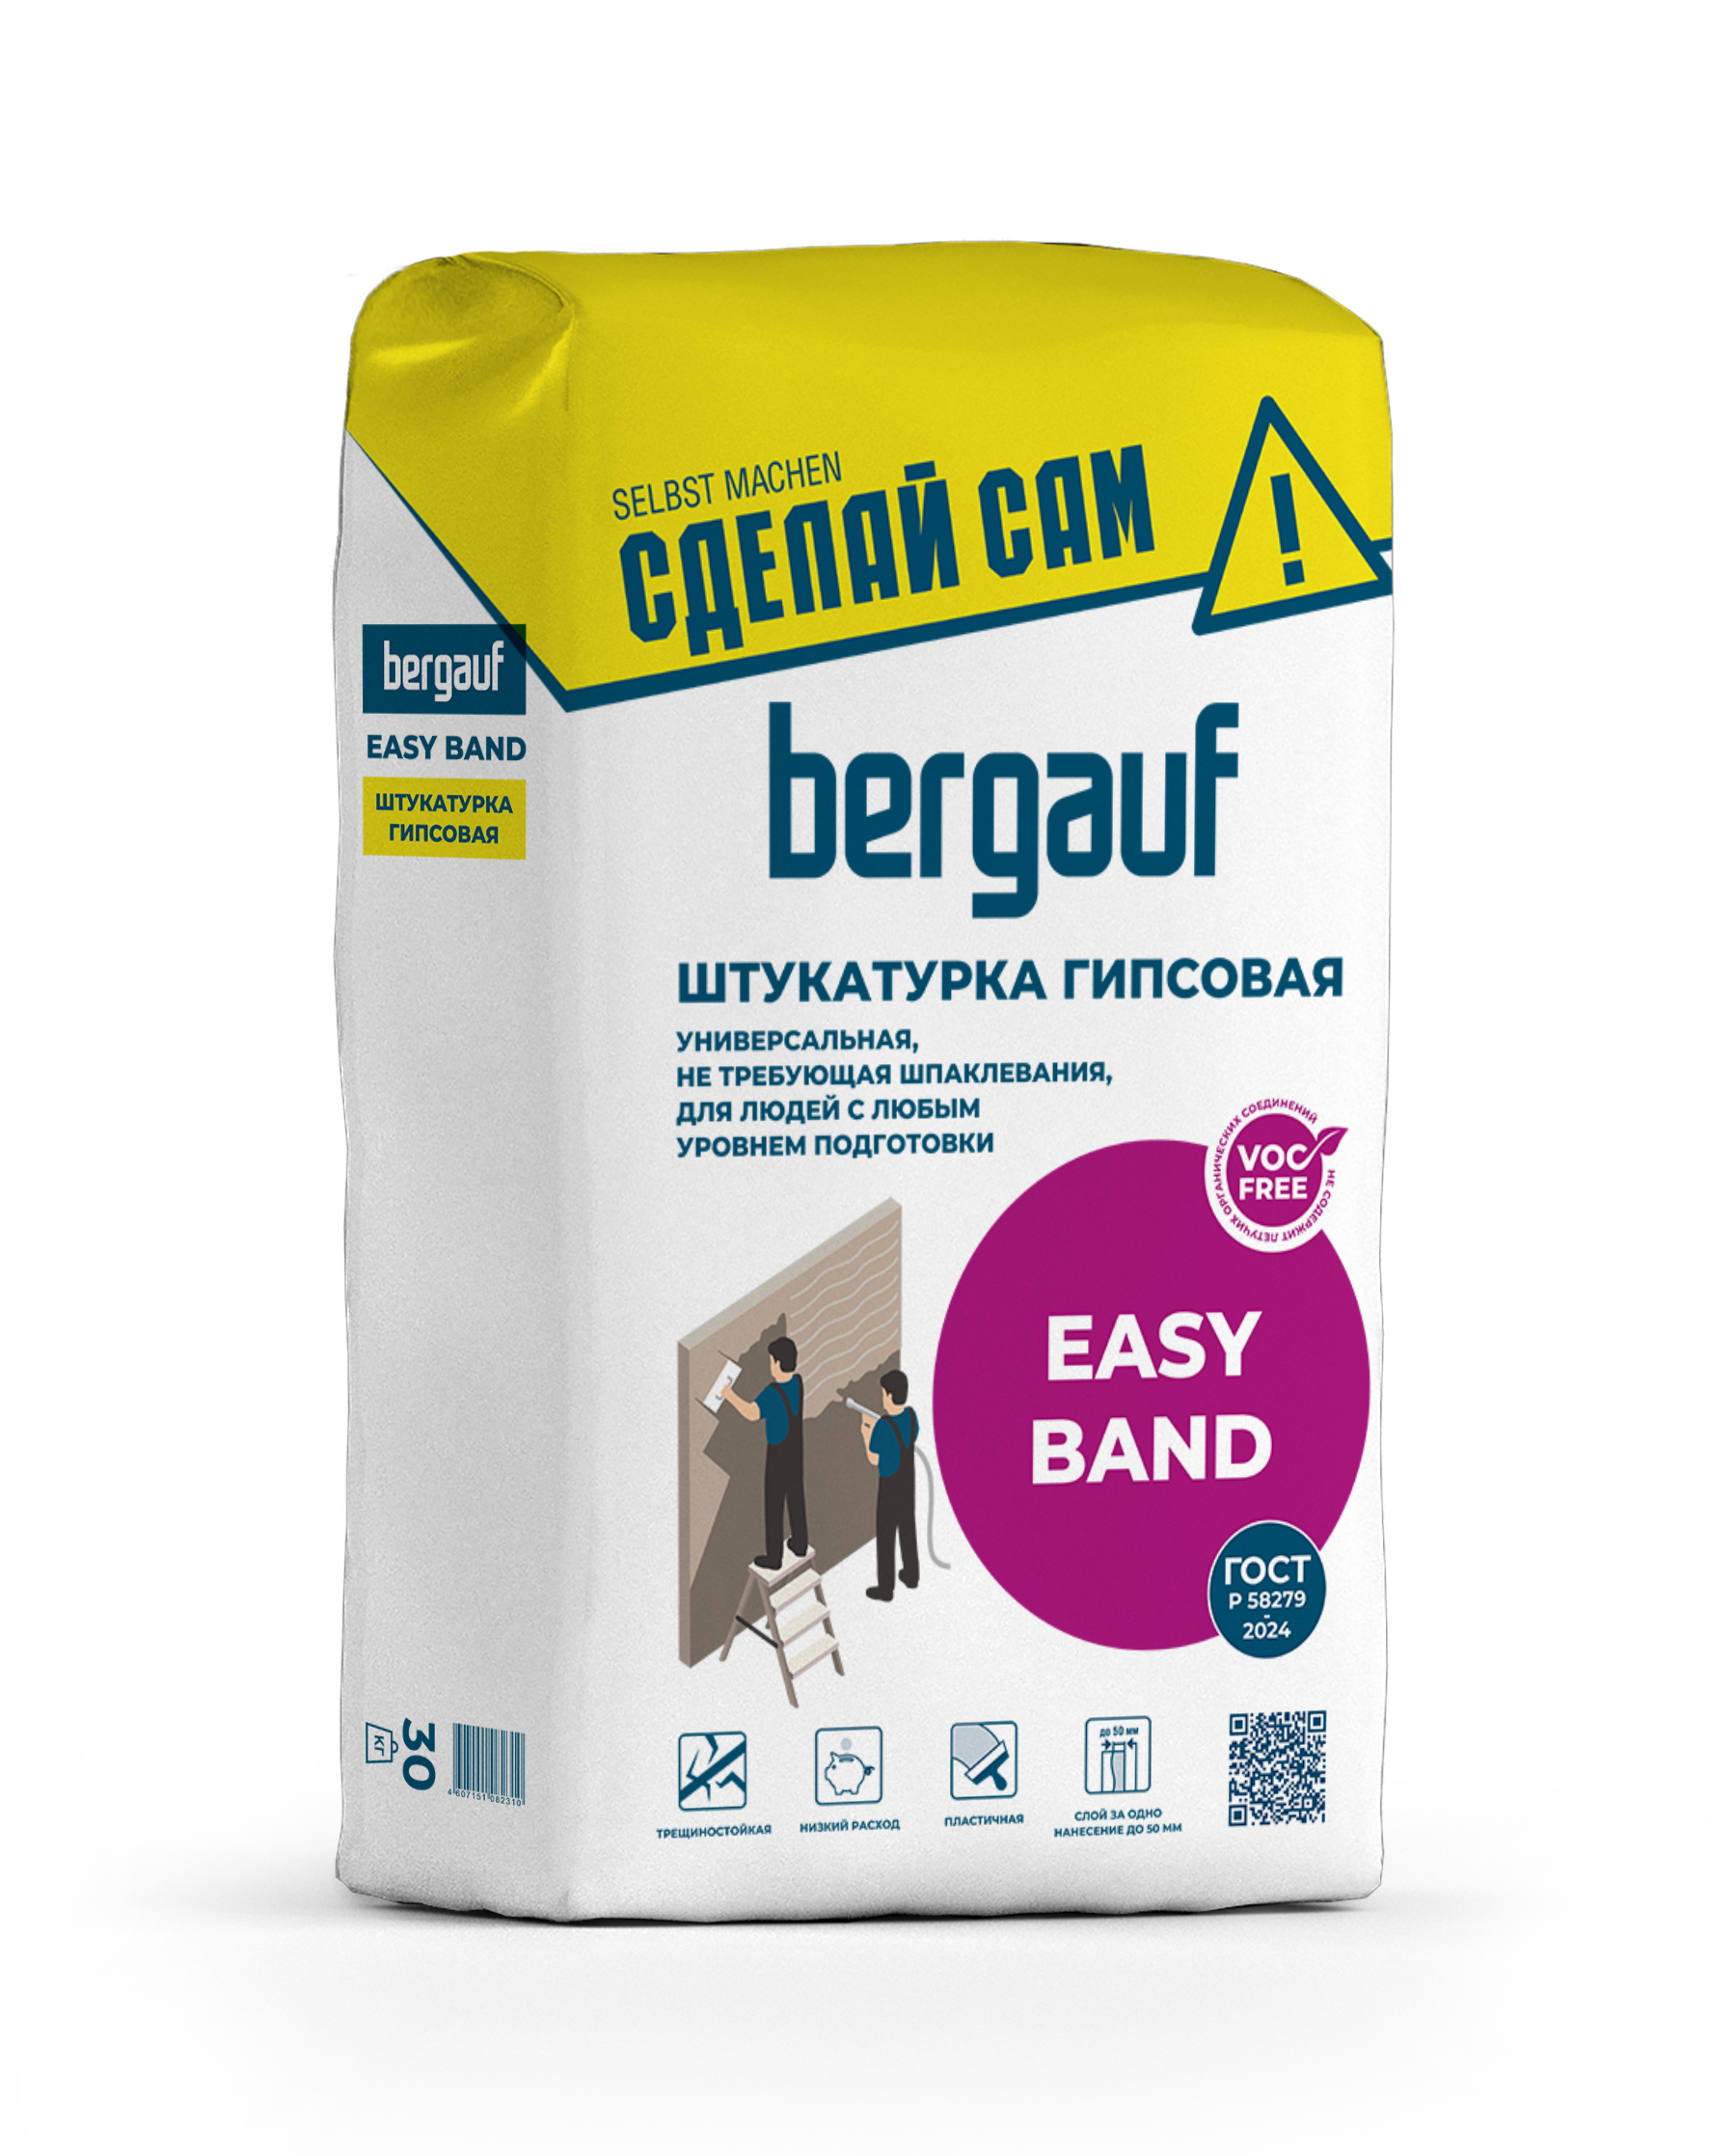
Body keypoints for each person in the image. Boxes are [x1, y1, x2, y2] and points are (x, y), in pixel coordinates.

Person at [720, 1337, 808, 1569]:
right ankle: (800, 1543)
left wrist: (729, 1395)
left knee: (774, 1504)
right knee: (796, 1496)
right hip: (796, 1451)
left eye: (771, 1361)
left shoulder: (772, 1392)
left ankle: (774, 1557)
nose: (770, 1365)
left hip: (778, 1454)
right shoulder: (798, 1382)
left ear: (777, 1363)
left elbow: (751, 1413)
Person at [861, 1369, 919, 1602]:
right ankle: (911, 1575)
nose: (882, 1397)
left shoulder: (883, 1426)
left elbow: (873, 1458)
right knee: (907, 1529)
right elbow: (912, 1437)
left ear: (890, 1395)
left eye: (883, 1393)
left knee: (886, 1537)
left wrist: (866, 1433)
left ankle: (886, 1589)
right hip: (908, 1486)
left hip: (889, 1489)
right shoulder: (912, 1416)